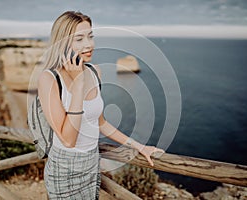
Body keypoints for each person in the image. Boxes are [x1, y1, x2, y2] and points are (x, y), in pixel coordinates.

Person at [38, 11, 165, 199]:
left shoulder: (94, 71)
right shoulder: (49, 79)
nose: (89, 44)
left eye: (90, 36)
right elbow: (68, 140)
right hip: (64, 169)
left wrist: (140, 146)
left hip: (92, 164)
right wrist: (79, 85)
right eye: (79, 39)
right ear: (63, 42)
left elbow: (100, 123)